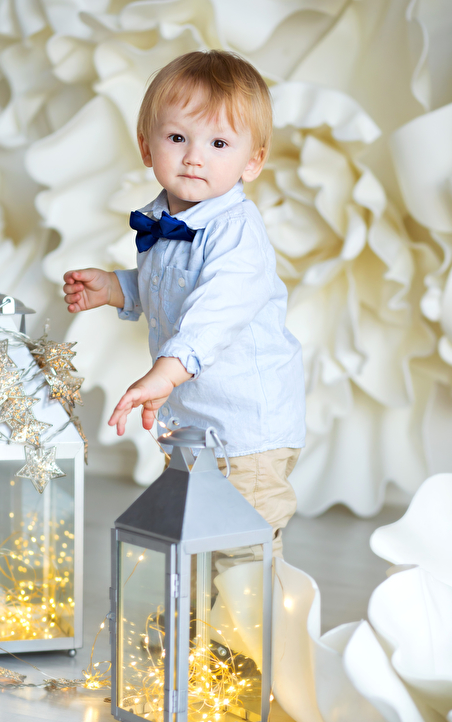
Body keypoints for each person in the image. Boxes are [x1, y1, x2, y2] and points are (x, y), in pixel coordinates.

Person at [63, 50, 306, 560]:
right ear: (146, 146)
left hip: (245, 430)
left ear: (253, 160)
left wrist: (165, 373)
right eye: (177, 138)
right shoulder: (164, 221)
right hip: (194, 425)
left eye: (218, 143)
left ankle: (263, 613)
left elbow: (214, 314)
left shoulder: (237, 233)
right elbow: (171, 287)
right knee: (196, 536)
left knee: (243, 550)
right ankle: (205, 612)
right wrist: (116, 287)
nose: (195, 157)